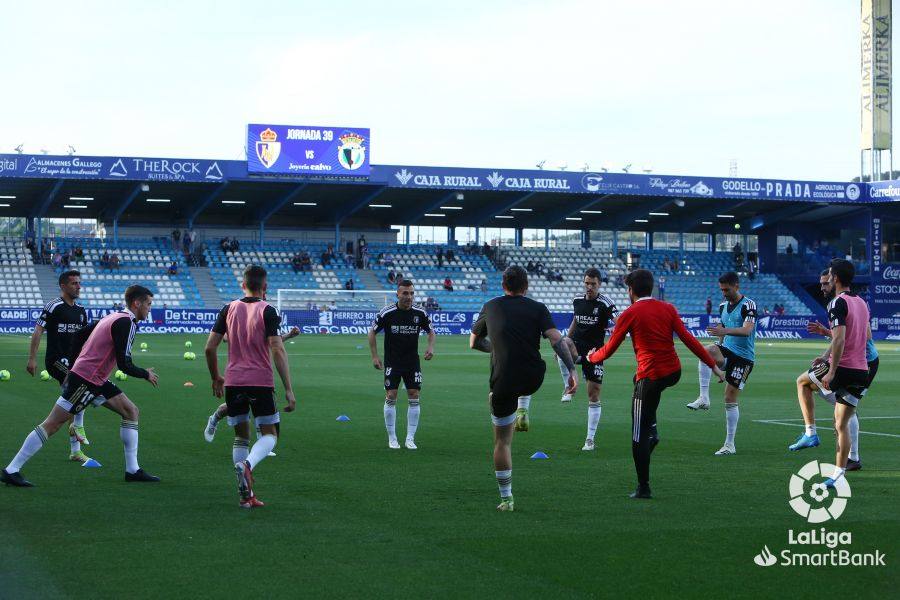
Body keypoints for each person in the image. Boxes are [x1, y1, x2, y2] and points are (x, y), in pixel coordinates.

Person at [2, 286, 161, 487]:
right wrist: (145, 373)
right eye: (148, 304)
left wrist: (74, 366)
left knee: (131, 411)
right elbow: (124, 364)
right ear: (136, 303)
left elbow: (79, 335)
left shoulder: (113, 316)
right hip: (87, 380)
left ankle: (133, 470)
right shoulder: (127, 322)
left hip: (95, 379)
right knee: (53, 424)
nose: (149, 309)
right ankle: (11, 469)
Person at [587, 269, 723, 499]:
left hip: (650, 375)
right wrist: (713, 365)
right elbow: (689, 340)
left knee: (637, 434)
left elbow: (609, 350)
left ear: (630, 291)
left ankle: (643, 487)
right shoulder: (668, 308)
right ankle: (653, 430)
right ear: (651, 288)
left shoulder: (630, 313)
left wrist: (591, 357)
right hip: (673, 372)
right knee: (644, 387)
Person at [470, 266, 577, 511]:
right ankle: (523, 408)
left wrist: (494, 349)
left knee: (502, 442)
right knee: (525, 372)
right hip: (533, 377)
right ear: (526, 287)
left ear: (502, 285)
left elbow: (474, 342)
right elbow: (556, 339)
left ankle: (506, 498)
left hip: (503, 380)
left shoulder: (490, 306)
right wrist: (571, 371)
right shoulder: (538, 308)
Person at [204, 266, 296, 508]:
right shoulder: (268, 310)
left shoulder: (228, 308)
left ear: (242, 284)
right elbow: (276, 347)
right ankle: (248, 466)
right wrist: (288, 388)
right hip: (260, 381)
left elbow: (209, 347)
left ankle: (246, 496)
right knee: (270, 435)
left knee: (241, 438)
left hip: (233, 381)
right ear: (265, 287)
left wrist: (216, 377)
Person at [788, 259, 869, 488]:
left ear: (836, 278)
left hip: (842, 368)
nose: (829, 279)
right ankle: (837, 475)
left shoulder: (836, 303)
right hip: (861, 371)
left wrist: (831, 369)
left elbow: (841, 338)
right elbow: (862, 336)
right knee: (841, 422)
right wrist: (825, 357)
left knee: (802, 382)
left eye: (830, 275)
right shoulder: (862, 303)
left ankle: (810, 433)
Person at [532, 268, 617, 452]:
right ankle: (568, 386)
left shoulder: (606, 304)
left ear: (599, 284)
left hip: (595, 353)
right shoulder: (577, 300)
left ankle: (589, 440)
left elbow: (619, 324)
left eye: (593, 284)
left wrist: (609, 345)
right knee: (564, 342)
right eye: (587, 283)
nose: (589, 287)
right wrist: (562, 346)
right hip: (577, 348)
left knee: (593, 395)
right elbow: (575, 321)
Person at [806, 269, 878, 472]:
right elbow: (842, 338)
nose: (822, 287)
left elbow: (862, 337)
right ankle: (851, 459)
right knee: (844, 413)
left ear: (834, 280)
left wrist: (829, 336)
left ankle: (812, 435)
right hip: (857, 362)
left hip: (864, 361)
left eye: (825, 283)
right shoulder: (855, 302)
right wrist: (827, 347)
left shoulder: (841, 303)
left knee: (806, 383)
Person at [685, 272, 758, 455]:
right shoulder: (722, 305)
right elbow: (722, 330)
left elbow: (747, 330)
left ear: (736, 286)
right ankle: (704, 398)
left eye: (727, 289)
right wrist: (719, 342)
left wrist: (724, 330)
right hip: (727, 350)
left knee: (729, 398)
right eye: (722, 290)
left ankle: (729, 445)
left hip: (744, 358)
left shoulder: (748, 305)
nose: (724, 293)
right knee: (706, 351)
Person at [25, 270, 92, 463]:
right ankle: (75, 434)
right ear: (63, 286)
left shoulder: (80, 311)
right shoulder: (53, 306)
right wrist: (32, 359)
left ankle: (75, 450)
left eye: (79, 283)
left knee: (73, 400)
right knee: (79, 390)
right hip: (56, 361)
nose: (78, 286)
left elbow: (85, 339)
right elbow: (38, 331)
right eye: (74, 283)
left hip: (75, 362)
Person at [203, 327, 300, 453]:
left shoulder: (263, 316)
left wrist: (288, 335)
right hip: (237, 374)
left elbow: (273, 342)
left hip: (260, 374)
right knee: (235, 410)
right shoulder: (236, 314)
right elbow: (225, 338)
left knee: (262, 410)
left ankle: (262, 444)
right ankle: (215, 418)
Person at [368, 280, 435, 450]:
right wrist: (375, 356)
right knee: (391, 395)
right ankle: (392, 438)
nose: (409, 297)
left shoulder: (420, 313)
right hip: (393, 361)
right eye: (405, 293)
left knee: (414, 395)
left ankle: (410, 438)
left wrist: (430, 347)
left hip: (412, 361)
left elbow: (431, 331)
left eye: (412, 293)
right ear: (397, 294)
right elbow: (372, 332)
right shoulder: (387, 312)